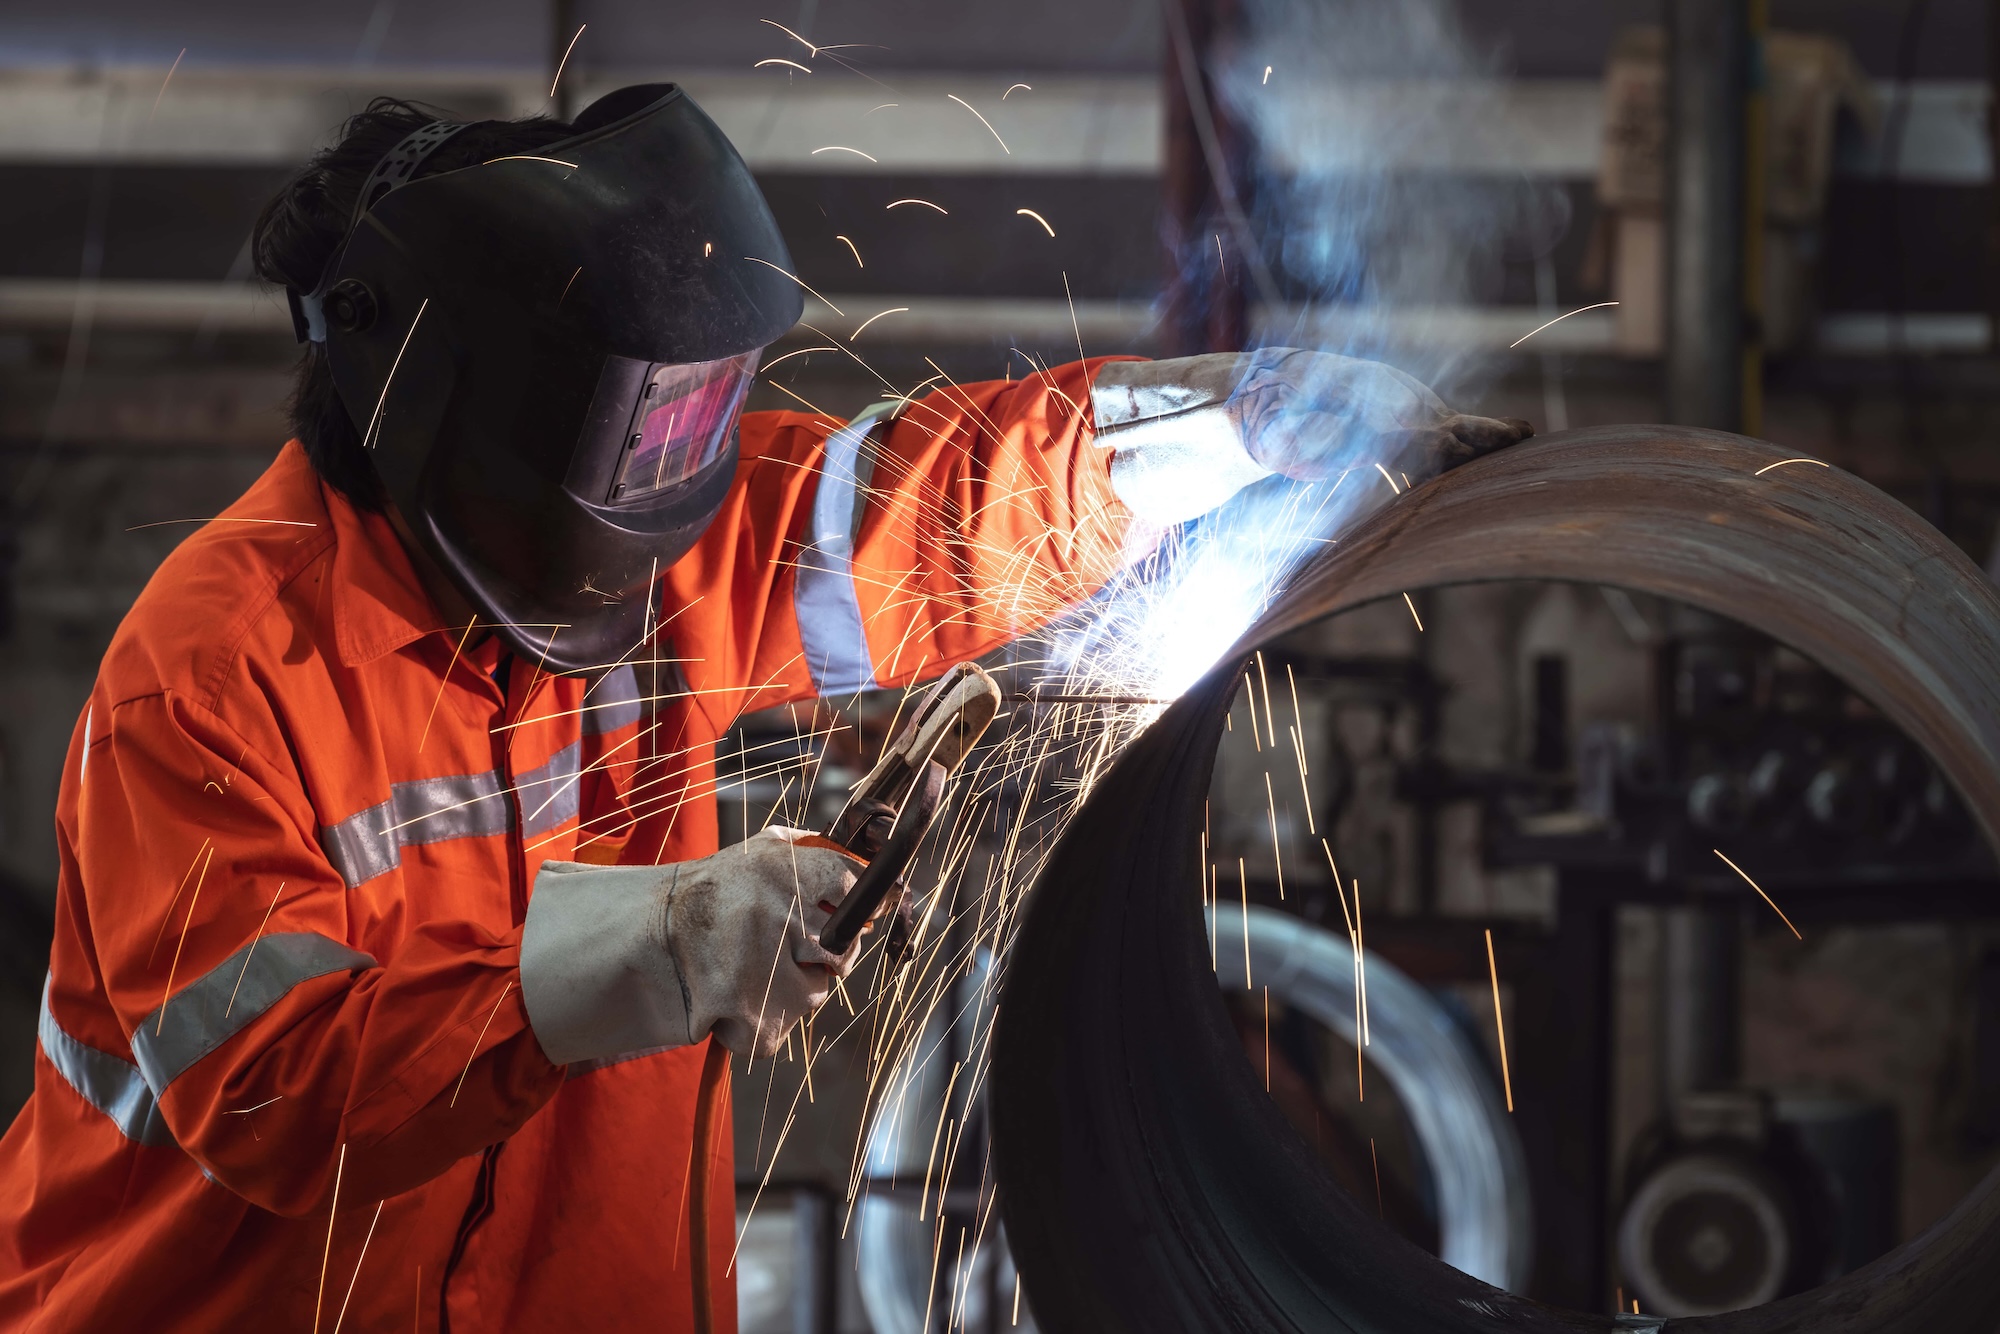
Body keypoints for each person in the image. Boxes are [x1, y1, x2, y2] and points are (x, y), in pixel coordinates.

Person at [0, 85, 1529, 1332]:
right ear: (459, 411)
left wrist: (1240, 427)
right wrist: (654, 944)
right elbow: (267, 1084)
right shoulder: (211, 678)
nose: (679, 481)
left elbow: (936, 507)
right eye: (638, 428)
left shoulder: (656, 539)